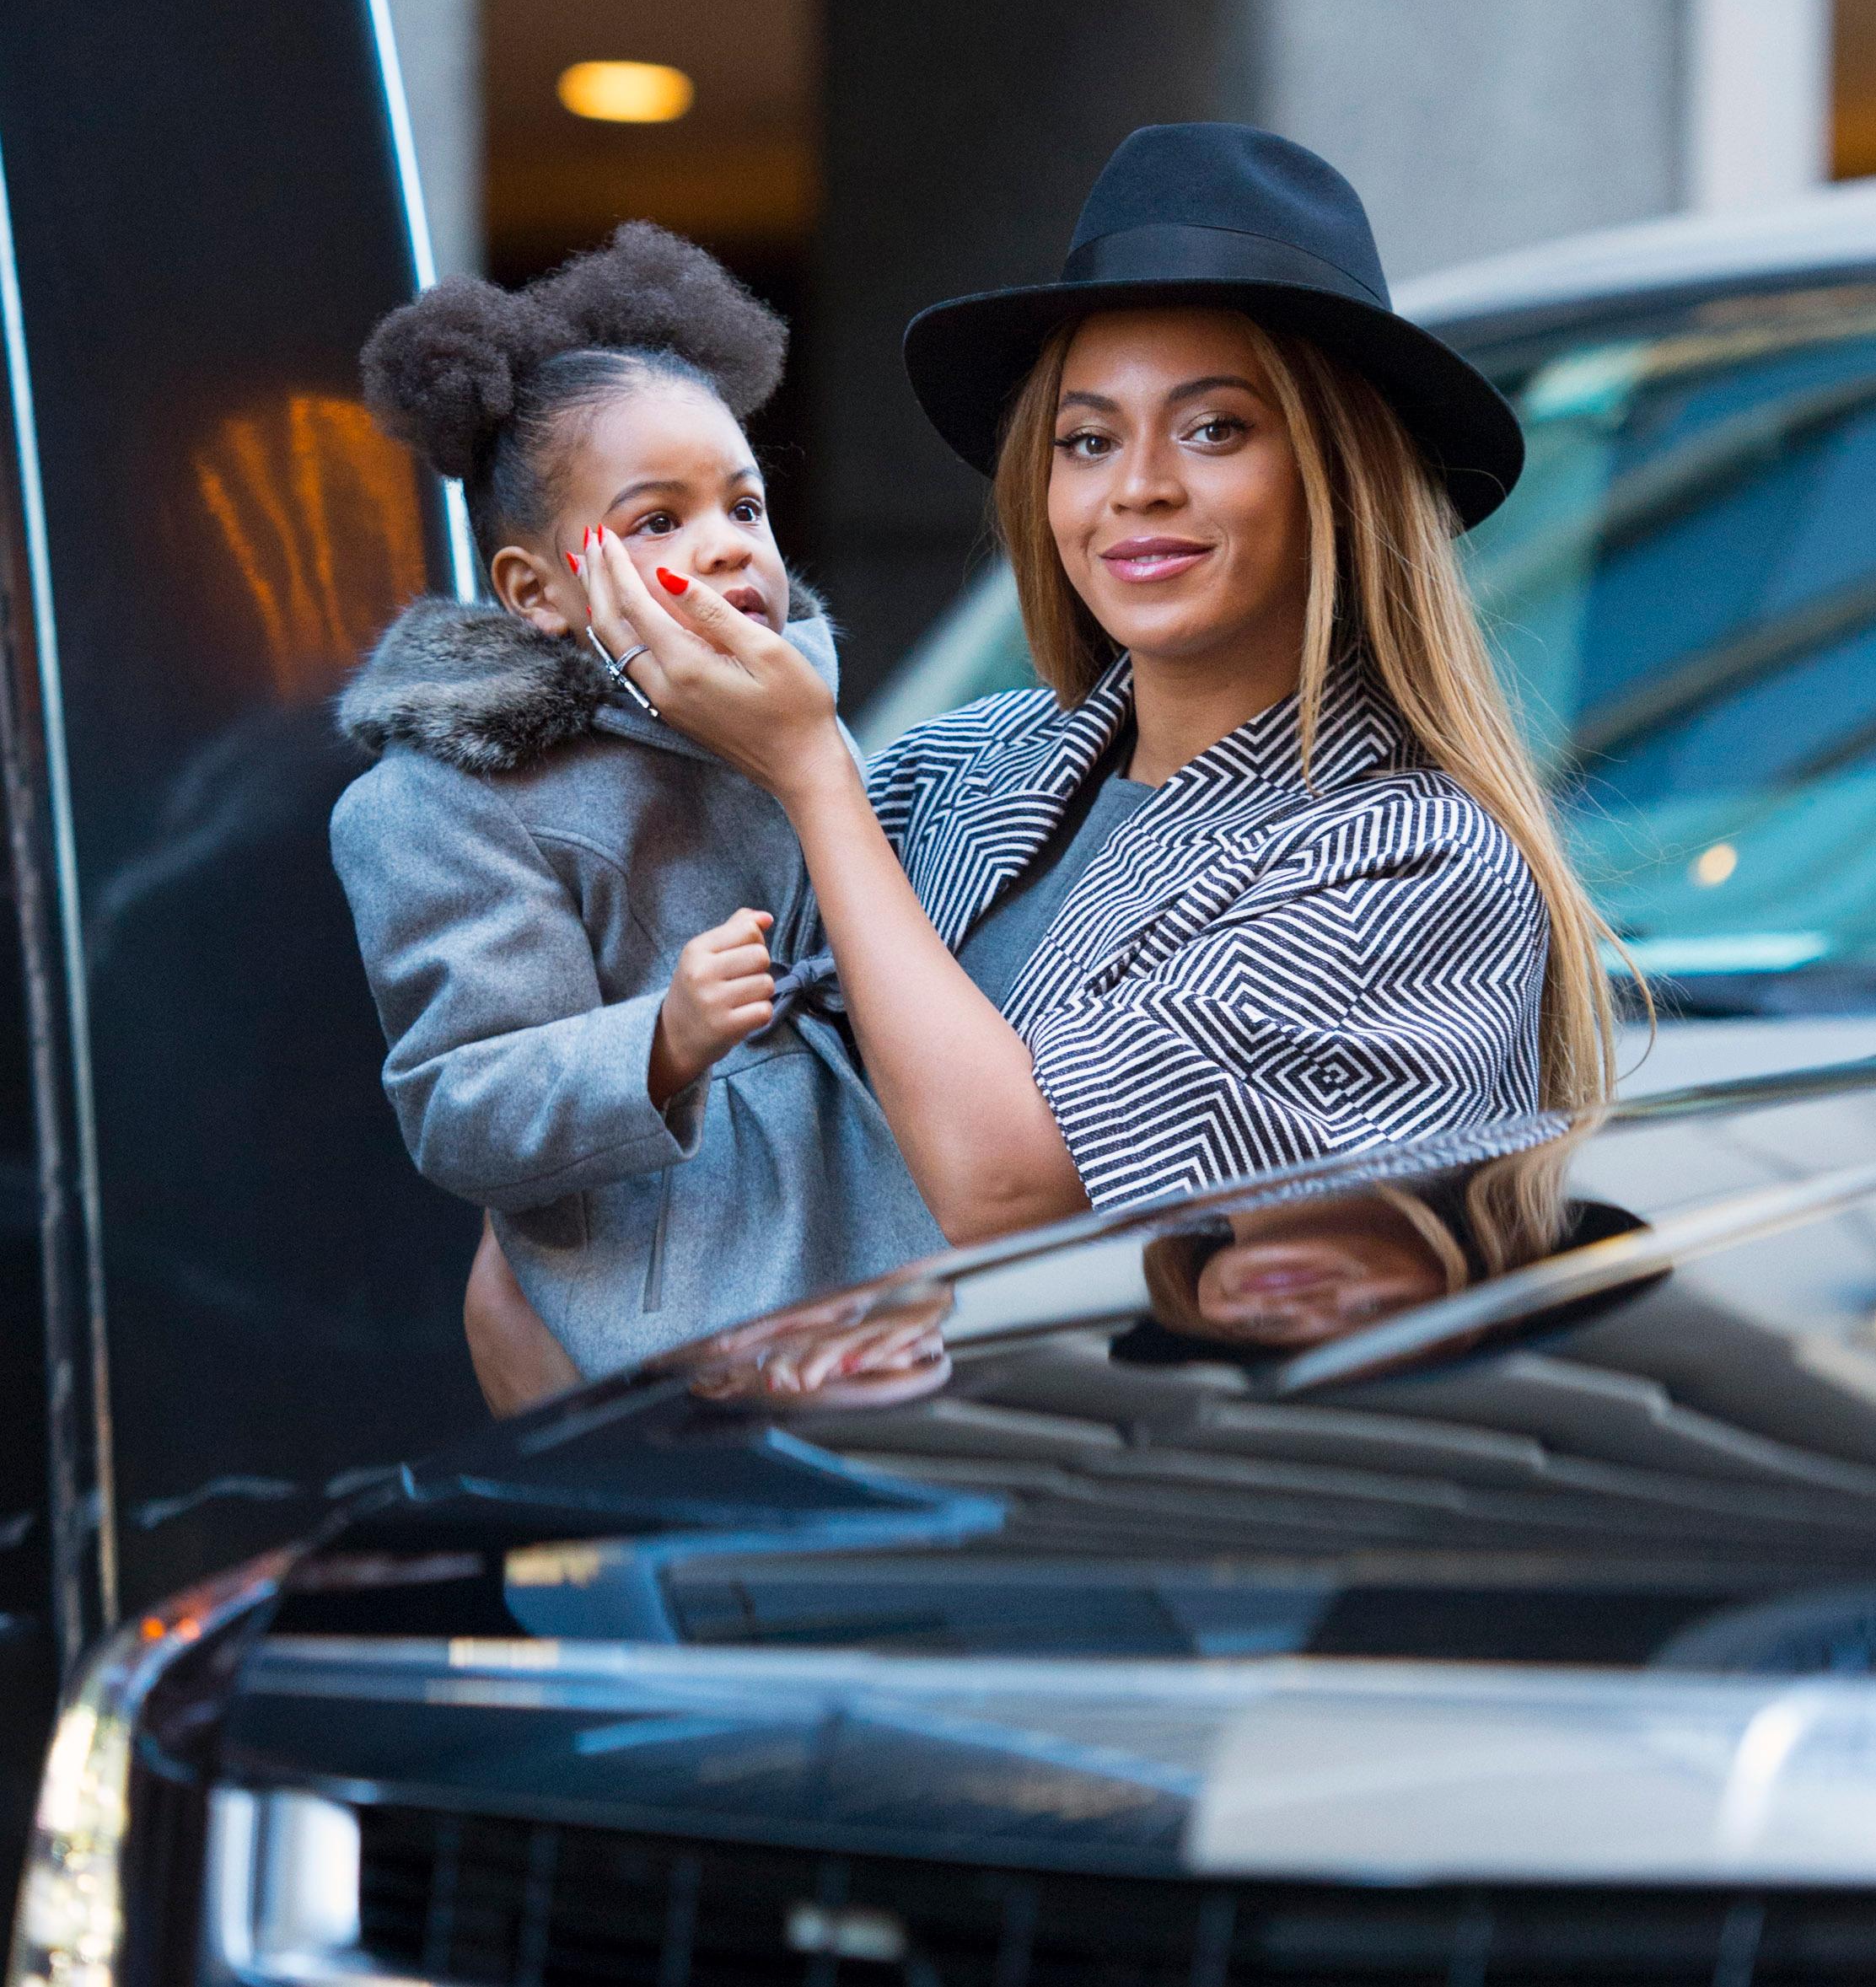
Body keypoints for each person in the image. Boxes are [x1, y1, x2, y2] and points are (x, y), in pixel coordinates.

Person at [584, 125, 1622, 1250]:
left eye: (1214, 429)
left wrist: (810, 768)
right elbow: (690, 1093)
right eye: (1086, 440)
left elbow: (1010, 1189)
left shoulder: (1414, 864)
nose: (1135, 488)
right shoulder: (950, 770)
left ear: (1340, 473)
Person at [329, 224, 943, 1391]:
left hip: (920, 1245)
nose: (724, 549)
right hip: (690, 1302)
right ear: (536, 591)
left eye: (744, 507)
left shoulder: (802, 723)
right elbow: (460, 1102)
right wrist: (662, 1037)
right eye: (659, 520)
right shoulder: (443, 797)